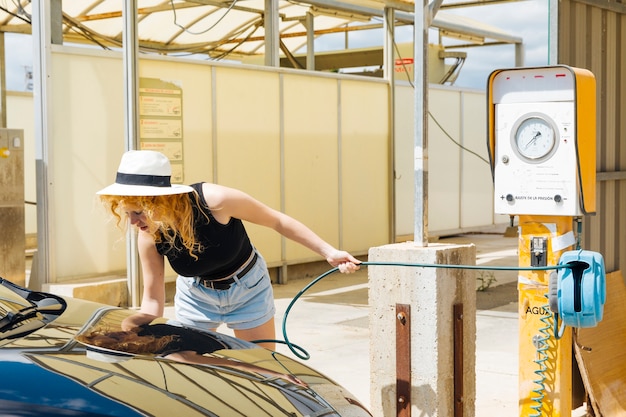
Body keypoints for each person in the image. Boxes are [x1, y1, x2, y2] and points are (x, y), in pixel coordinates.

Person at [97, 150, 360, 350]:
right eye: (127, 213)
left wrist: (329, 252)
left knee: (259, 365)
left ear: (161, 201)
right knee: (187, 365)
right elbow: (153, 300)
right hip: (196, 295)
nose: (132, 222)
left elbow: (276, 220)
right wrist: (132, 326)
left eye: (138, 212)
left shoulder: (215, 201)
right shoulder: (148, 236)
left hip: (248, 288)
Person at [77, 323, 307, 387]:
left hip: (201, 327)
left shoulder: (137, 329)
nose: (117, 332)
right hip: (227, 344)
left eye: (109, 333)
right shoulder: (175, 356)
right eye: (116, 338)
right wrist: (279, 374)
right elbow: (234, 365)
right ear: (126, 349)